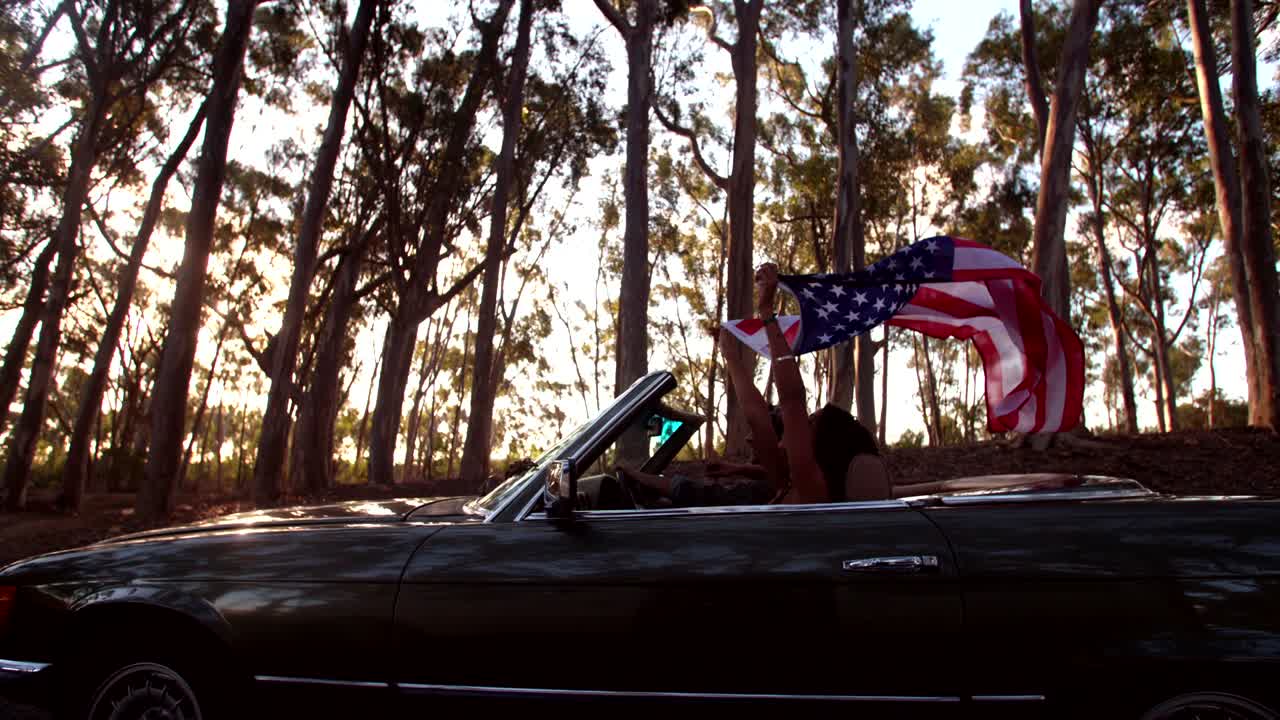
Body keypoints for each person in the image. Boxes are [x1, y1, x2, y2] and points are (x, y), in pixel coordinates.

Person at [716, 262, 891, 503]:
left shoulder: (810, 489)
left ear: (819, 449)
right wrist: (730, 356)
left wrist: (767, 312)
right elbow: (757, 417)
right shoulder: (786, 481)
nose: (798, 423)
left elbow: (792, 399)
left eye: (809, 423)